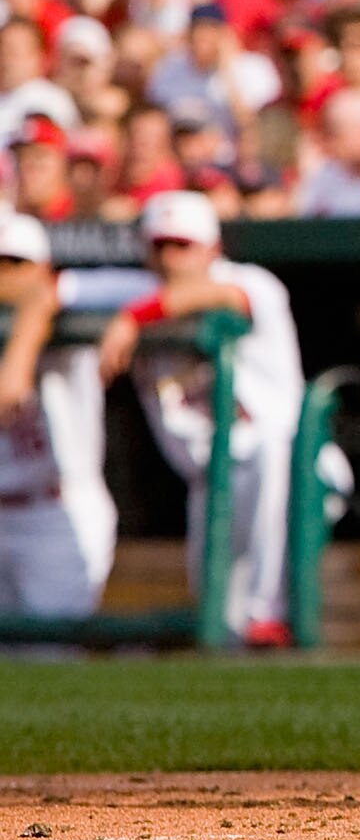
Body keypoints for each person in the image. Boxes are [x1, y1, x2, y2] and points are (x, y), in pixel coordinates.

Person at [94, 191, 310, 646]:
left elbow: (212, 294)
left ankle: (269, 612)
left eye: (184, 244)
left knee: (267, 457)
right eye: (160, 245)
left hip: (300, 468)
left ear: (213, 248)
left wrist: (133, 318)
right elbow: (51, 288)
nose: (172, 257)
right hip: (210, 482)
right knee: (220, 624)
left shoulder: (254, 281)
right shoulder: (136, 288)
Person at [0, 212, 115, 619]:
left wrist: (137, 319)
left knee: (50, 663)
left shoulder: (70, 307)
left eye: (14, 262)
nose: (4, 275)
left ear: (44, 269)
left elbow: (146, 286)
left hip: (55, 511)